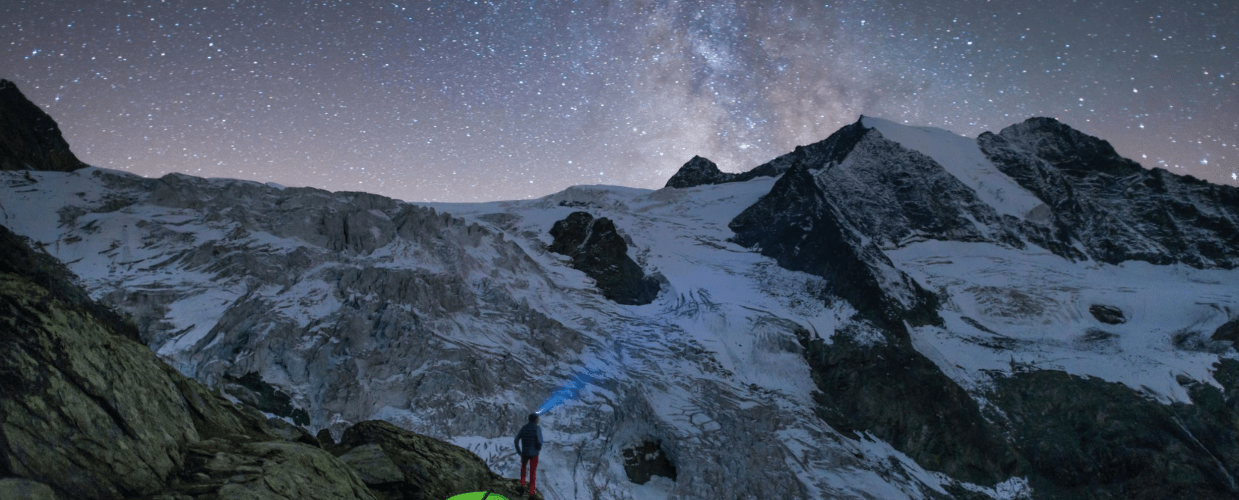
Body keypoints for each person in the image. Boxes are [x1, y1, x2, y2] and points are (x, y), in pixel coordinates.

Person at [514, 413, 543, 496]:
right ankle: (531, 492)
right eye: (538, 418)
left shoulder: (524, 428)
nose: (538, 420)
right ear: (535, 419)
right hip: (534, 454)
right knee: (532, 473)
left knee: (523, 470)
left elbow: (516, 440)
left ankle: (522, 487)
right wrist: (538, 448)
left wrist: (519, 452)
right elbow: (540, 442)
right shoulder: (537, 428)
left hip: (524, 453)